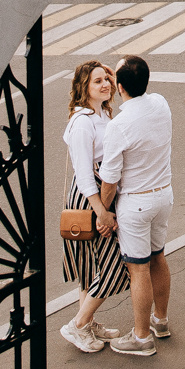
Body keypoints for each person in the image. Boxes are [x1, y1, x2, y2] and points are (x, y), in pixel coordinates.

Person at [96, 54, 172, 356]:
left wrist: (103, 213)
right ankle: (160, 321)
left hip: (136, 204)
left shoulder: (120, 125)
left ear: (120, 86)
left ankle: (141, 338)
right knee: (159, 257)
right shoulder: (161, 104)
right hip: (163, 195)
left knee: (137, 269)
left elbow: (110, 179)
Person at [59, 60, 128, 353]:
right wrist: (101, 210)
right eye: (97, 81)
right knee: (115, 266)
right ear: (83, 88)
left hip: (101, 194)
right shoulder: (82, 122)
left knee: (90, 266)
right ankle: (76, 325)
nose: (105, 84)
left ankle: (86, 323)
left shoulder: (101, 113)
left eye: (107, 80)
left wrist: (114, 79)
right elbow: (84, 174)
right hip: (91, 198)